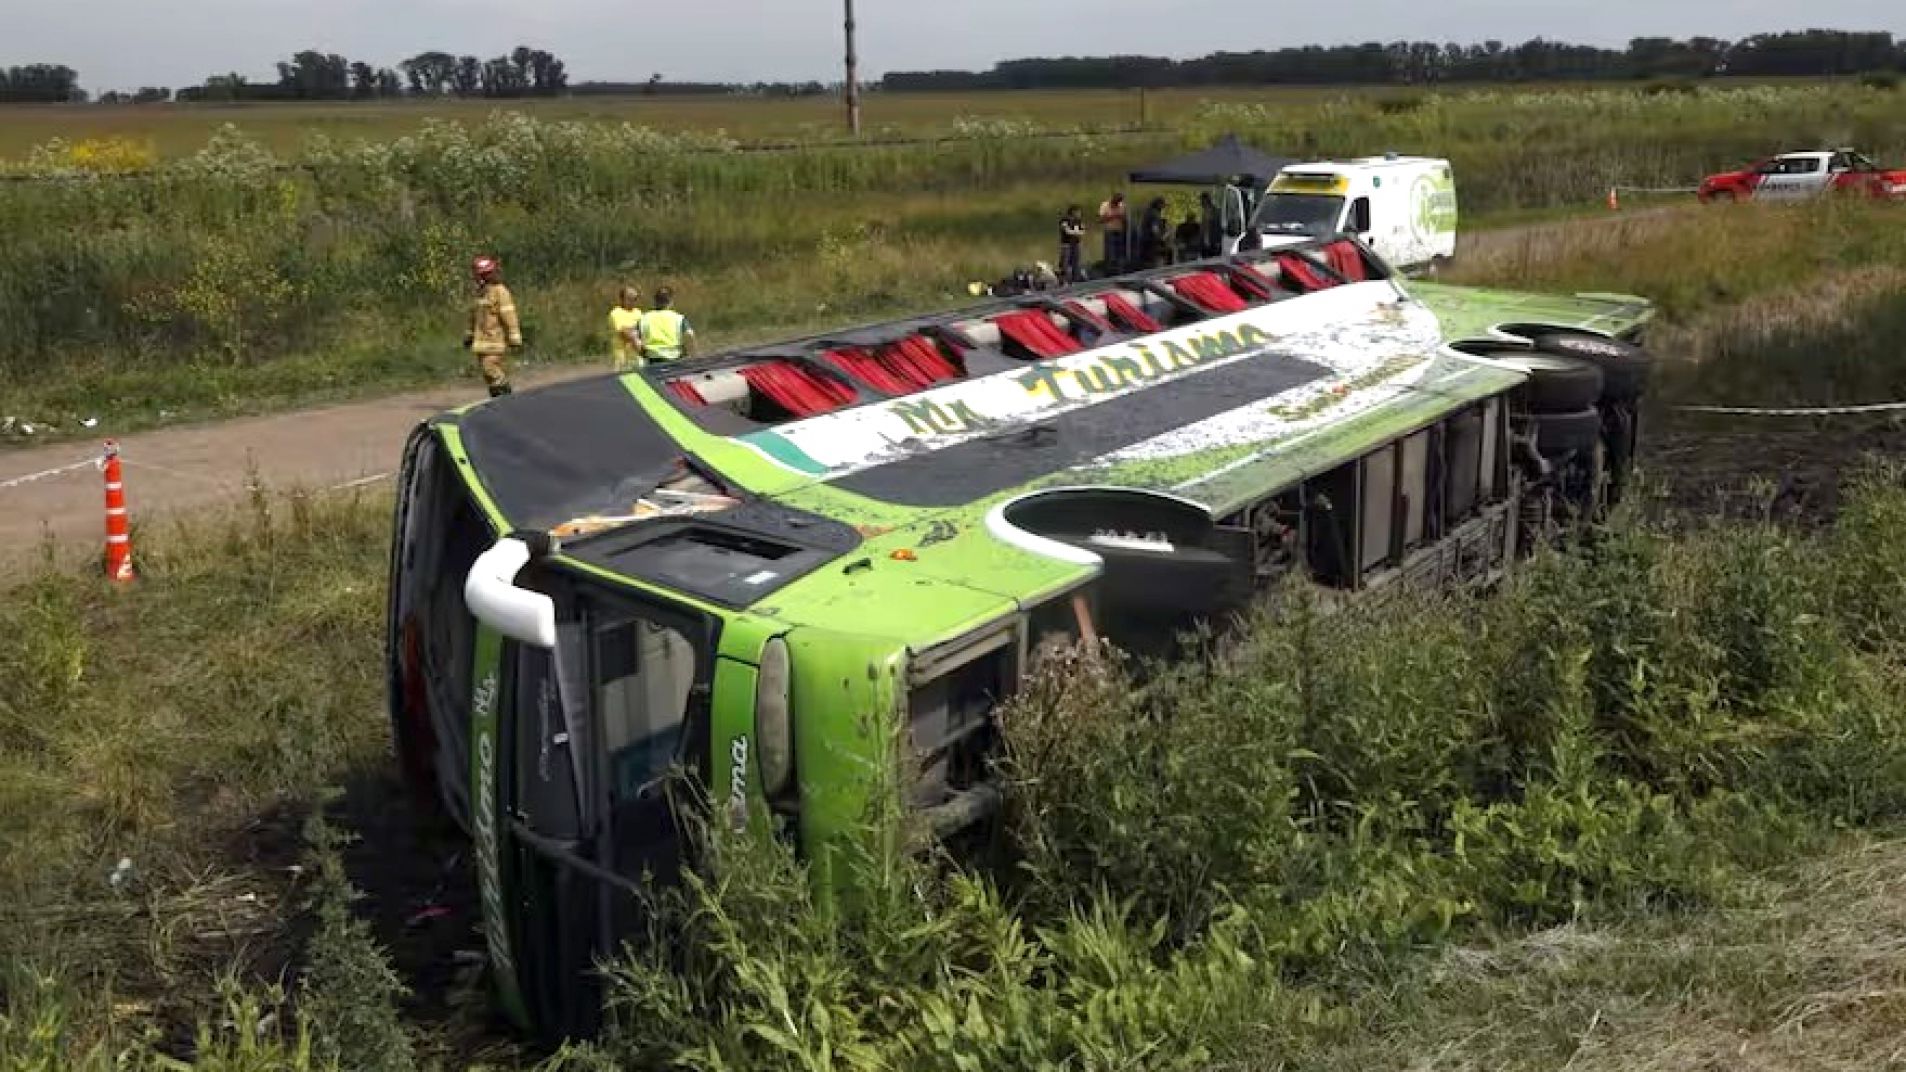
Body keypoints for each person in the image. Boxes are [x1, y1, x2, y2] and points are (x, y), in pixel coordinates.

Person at [464, 255, 522, 398]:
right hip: (481, 342)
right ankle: (497, 398)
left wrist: (514, 338)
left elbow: (509, 315)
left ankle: (506, 394)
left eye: (479, 275)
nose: (476, 278)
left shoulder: (500, 292)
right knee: (487, 374)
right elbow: (473, 317)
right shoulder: (481, 293)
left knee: (490, 368)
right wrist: (469, 335)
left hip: (495, 340)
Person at [638, 286, 696, 363]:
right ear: (671, 301)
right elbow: (689, 335)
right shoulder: (679, 318)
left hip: (652, 360)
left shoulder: (644, 318)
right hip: (675, 359)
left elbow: (635, 338)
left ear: (655, 301)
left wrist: (642, 353)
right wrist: (691, 355)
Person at [609, 285, 645, 371]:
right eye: (630, 298)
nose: (633, 301)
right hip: (622, 360)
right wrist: (635, 338)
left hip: (637, 358)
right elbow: (623, 332)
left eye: (635, 298)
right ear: (622, 299)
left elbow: (643, 330)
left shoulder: (638, 312)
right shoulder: (616, 313)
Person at [1098, 192, 1129, 271]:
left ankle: (1119, 268)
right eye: (1116, 201)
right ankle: (1109, 268)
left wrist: (1122, 217)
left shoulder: (1122, 205)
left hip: (1120, 231)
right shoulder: (1105, 205)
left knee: (1120, 251)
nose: (1118, 204)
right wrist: (1113, 216)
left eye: (1119, 201)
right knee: (1110, 251)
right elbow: (1101, 220)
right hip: (1109, 231)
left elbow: (1125, 219)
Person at [1137, 197, 1171, 268]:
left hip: (1145, 241)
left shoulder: (1148, 212)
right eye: (1163, 205)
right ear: (1159, 205)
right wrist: (1161, 239)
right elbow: (1154, 229)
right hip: (1151, 243)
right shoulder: (1154, 214)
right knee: (1153, 264)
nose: (1164, 208)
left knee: (1145, 263)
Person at [1058, 205, 1086, 282]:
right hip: (1066, 244)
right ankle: (1064, 280)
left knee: (1076, 262)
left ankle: (1076, 279)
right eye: (1078, 212)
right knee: (1065, 263)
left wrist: (1076, 232)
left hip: (1076, 244)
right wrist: (1076, 233)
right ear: (1073, 212)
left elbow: (1082, 231)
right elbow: (1067, 231)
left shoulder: (1078, 221)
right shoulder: (1064, 220)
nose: (1079, 214)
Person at [1200, 191, 1224, 258]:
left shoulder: (1216, 211)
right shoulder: (1204, 212)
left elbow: (1218, 226)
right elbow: (1203, 227)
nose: (1201, 202)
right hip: (1205, 243)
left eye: (1202, 200)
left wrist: (1218, 241)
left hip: (1214, 242)